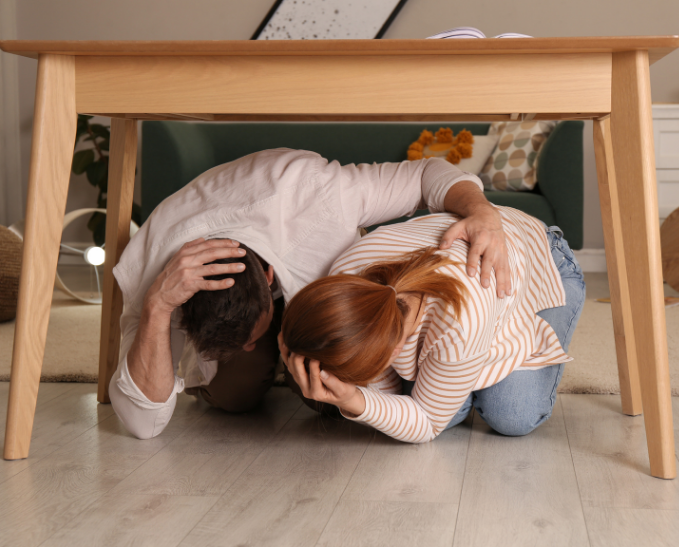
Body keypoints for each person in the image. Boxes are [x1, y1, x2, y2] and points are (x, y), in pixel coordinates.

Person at [108, 148, 512, 439]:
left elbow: (427, 173)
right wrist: (157, 307)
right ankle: (244, 370)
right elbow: (143, 424)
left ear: (267, 276)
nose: (252, 347)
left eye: (252, 338)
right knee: (234, 398)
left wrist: (482, 212)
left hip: (309, 265)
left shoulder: (317, 194)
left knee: (327, 399)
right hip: (196, 277)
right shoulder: (157, 273)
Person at [280, 206, 585, 442]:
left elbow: (427, 422)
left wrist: (355, 400)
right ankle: (463, 373)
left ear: (396, 347)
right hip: (470, 286)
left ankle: (470, 369)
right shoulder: (345, 275)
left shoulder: (461, 320)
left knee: (512, 416)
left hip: (543, 261)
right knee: (441, 408)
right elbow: (388, 397)